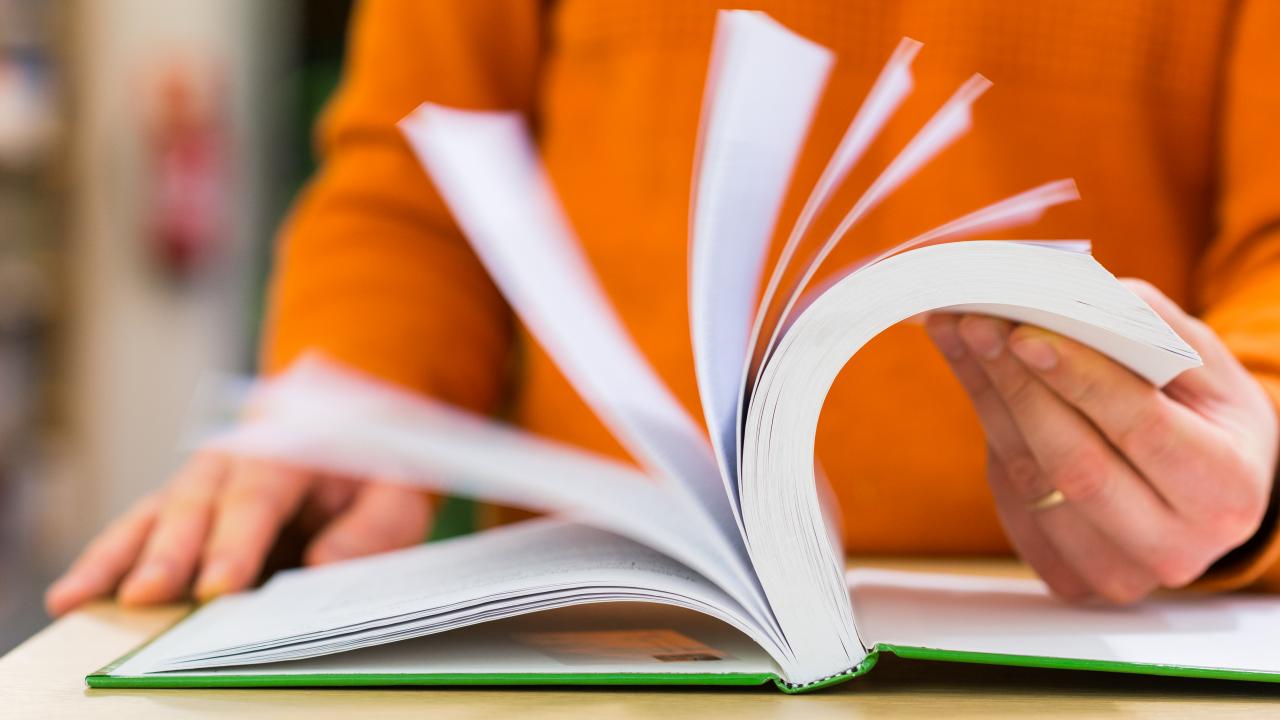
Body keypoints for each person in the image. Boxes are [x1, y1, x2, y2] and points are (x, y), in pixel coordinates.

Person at [46, 0, 1280, 616]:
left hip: (1109, 642)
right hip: (617, 636)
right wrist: (361, 399)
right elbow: (423, 173)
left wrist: (1244, 474)